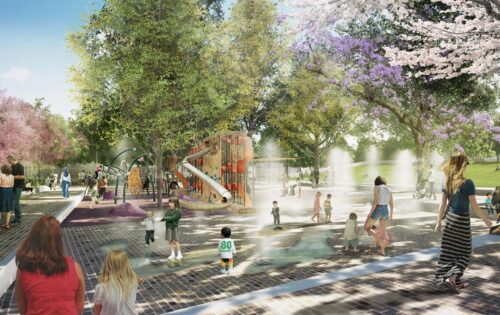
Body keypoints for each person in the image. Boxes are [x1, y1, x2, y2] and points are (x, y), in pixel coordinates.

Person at [434, 153, 491, 293]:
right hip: (461, 221)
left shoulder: (446, 181)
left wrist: (438, 222)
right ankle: (452, 278)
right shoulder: (468, 183)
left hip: (449, 221)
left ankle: (456, 281)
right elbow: (475, 207)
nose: (466, 167)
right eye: (466, 164)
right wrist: (486, 220)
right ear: (462, 165)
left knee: (450, 251)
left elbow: (442, 204)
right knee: (465, 252)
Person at [15, 215, 85, 314]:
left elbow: (22, 306)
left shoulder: (23, 269)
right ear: (59, 240)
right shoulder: (75, 268)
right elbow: (79, 305)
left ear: (33, 239)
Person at [94, 250, 140, 315]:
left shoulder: (101, 288)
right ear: (126, 266)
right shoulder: (132, 283)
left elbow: (97, 310)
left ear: (107, 266)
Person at [364, 176, 393, 256]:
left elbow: (376, 200)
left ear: (377, 182)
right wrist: (391, 216)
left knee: (367, 227)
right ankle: (382, 251)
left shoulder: (377, 187)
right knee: (384, 231)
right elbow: (391, 204)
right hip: (386, 210)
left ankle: (378, 238)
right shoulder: (389, 189)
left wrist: (371, 212)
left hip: (379, 208)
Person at [7, 155, 24, 225]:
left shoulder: (20, 166)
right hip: (13, 186)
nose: (8, 162)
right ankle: (16, 218)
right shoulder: (12, 166)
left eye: (9, 161)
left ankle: (18, 219)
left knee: (16, 202)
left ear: (12, 159)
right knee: (14, 202)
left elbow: (22, 176)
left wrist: (12, 177)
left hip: (18, 186)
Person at [0, 164, 14, 229]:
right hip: (9, 191)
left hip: (2, 191)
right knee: (8, 208)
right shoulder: (12, 176)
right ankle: (7, 224)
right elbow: (12, 185)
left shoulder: (0, 175)